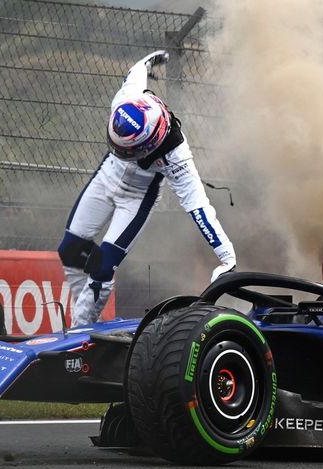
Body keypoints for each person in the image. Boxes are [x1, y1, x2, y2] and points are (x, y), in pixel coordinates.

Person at [58, 50, 237, 327]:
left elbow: (198, 206)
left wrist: (226, 256)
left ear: (152, 144)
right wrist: (149, 61)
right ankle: (84, 323)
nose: (120, 151)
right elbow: (137, 69)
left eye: (127, 150)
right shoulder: (127, 97)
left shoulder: (176, 154)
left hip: (137, 198)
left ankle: (79, 329)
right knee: (70, 249)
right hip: (107, 175)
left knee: (103, 267)